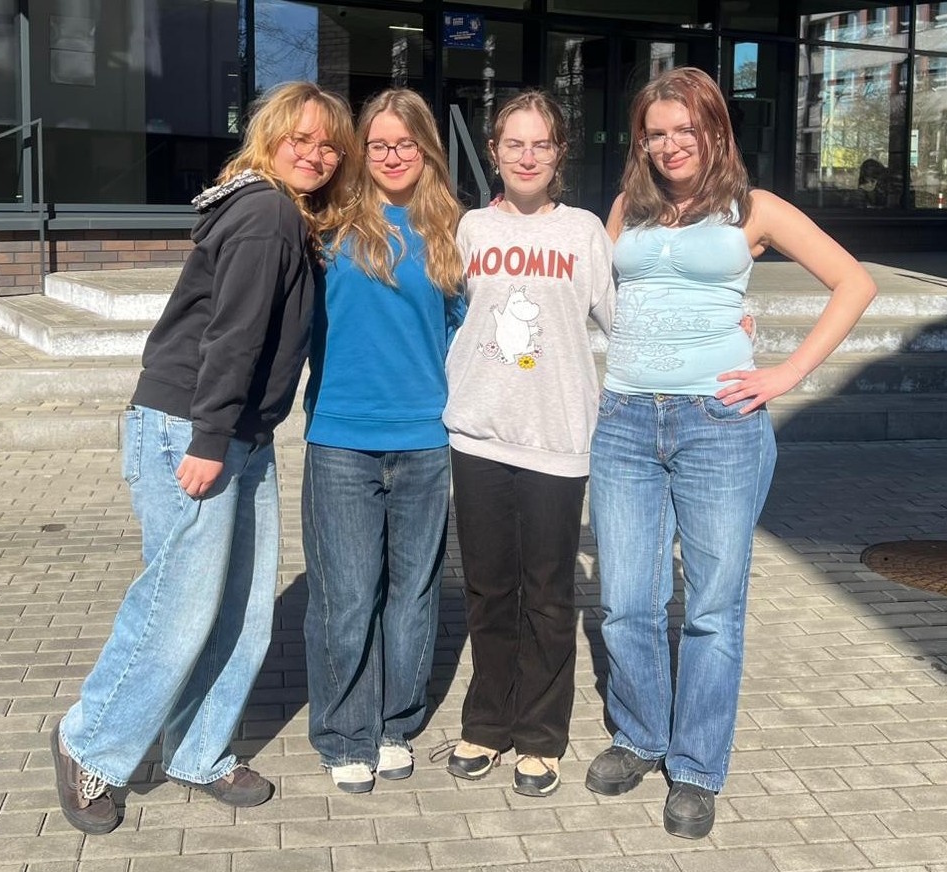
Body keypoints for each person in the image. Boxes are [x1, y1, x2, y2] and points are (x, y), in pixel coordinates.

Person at [49, 81, 357, 835]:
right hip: (194, 428)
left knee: (244, 612)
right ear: (270, 138)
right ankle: (90, 742)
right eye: (301, 139)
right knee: (177, 608)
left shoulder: (283, 214)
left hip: (240, 434)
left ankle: (196, 750)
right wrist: (210, 438)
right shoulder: (266, 214)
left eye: (329, 145)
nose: (316, 154)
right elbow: (233, 334)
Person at [586, 67, 876, 839]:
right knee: (626, 599)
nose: (670, 144)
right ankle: (639, 735)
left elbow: (852, 283)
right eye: (655, 132)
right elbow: (597, 294)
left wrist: (786, 371)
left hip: (717, 426)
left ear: (714, 130)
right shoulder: (626, 208)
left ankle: (695, 766)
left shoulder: (754, 208)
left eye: (685, 128)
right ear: (640, 142)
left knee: (711, 609)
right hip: (623, 422)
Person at [442, 90, 616, 796]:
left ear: (558, 153)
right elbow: (444, 313)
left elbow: (625, 320)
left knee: (547, 594)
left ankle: (540, 735)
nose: (526, 156)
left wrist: (729, 324)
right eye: (514, 143)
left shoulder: (583, 233)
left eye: (540, 144)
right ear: (493, 151)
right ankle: (487, 721)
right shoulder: (470, 228)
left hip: (557, 437)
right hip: (478, 434)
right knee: (488, 589)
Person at [301, 88, 464, 794]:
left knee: (412, 595)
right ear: (360, 151)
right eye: (378, 144)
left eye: (406, 143)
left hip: (425, 439)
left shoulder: (453, 231)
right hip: (341, 438)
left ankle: (396, 723)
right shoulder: (325, 225)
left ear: (426, 149)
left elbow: (475, 330)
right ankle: (344, 733)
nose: (393, 156)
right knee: (345, 596)